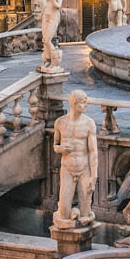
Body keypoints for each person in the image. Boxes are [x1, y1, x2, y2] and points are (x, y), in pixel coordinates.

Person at [52, 90, 99, 228]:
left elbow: (93, 151)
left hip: (84, 169)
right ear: (73, 103)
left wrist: (93, 176)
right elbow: (55, 145)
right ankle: (72, 212)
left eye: (86, 102)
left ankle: (78, 213)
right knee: (64, 213)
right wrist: (60, 149)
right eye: (82, 102)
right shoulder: (60, 123)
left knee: (86, 213)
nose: (86, 105)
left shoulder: (89, 123)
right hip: (67, 168)